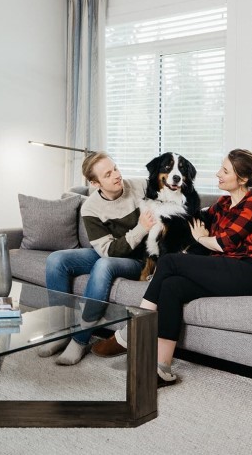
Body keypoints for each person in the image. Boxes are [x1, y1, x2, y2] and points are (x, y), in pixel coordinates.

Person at [92, 149, 252, 387]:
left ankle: (134, 328)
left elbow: (224, 243)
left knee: (169, 261)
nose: (217, 174)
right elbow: (193, 219)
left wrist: (201, 238)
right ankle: (162, 368)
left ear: (241, 179)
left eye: (224, 171)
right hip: (228, 269)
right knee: (172, 286)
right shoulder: (223, 203)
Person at [38, 151, 155, 365]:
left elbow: (172, 190)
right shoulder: (90, 207)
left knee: (103, 266)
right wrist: (140, 229)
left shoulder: (141, 186)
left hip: (139, 260)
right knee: (56, 260)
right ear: (95, 183)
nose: (117, 175)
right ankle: (60, 332)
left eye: (115, 168)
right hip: (111, 252)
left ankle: (80, 339)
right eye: (108, 174)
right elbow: (108, 250)